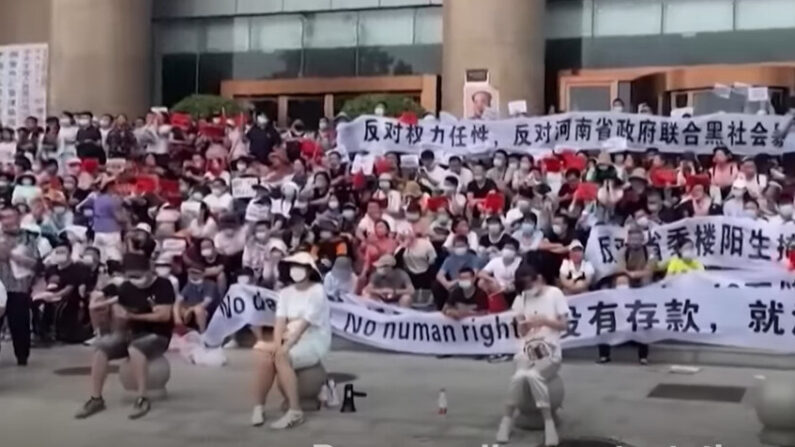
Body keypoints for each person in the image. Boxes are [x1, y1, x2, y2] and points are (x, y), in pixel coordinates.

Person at [75, 253, 175, 420]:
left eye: (138, 275)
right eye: (131, 276)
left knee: (135, 349)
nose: (135, 280)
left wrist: (132, 317)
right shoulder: (126, 288)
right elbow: (109, 307)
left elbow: (163, 316)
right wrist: (105, 309)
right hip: (131, 333)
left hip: (157, 335)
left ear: (149, 270)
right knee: (101, 349)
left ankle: (142, 397)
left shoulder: (164, 285)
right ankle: (96, 398)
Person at [251, 252, 331, 429]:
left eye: (301, 267)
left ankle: (295, 411)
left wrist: (285, 347)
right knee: (265, 357)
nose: (296, 270)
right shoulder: (285, 293)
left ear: (309, 270)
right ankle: (259, 407)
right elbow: (280, 321)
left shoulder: (317, 291)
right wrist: (278, 343)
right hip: (289, 337)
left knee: (281, 357)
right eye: (294, 266)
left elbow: (305, 323)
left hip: (314, 339)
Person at [496, 265, 568, 446]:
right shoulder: (522, 298)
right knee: (520, 376)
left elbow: (564, 325)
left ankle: (548, 422)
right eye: (524, 287)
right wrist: (524, 324)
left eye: (529, 284)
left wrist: (544, 321)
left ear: (539, 278)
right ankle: (506, 420)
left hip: (549, 349)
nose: (528, 289)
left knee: (533, 375)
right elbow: (520, 330)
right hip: (527, 349)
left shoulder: (555, 293)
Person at [0, 206, 39, 365]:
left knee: (19, 324)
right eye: (3, 217)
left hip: (19, 286)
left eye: (10, 217)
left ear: (18, 218)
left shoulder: (28, 238)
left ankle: (22, 356)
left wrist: (10, 255)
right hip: (0, 286)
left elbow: (34, 263)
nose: (6, 221)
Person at [175, 265, 219, 333]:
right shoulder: (188, 285)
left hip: (207, 311)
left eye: (196, 273)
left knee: (198, 309)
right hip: (191, 308)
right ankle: (180, 327)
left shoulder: (210, 284)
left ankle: (202, 334)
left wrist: (190, 310)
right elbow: (178, 300)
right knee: (176, 306)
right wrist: (177, 318)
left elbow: (206, 302)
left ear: (203, 273)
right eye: (192, 272)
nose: (194, 275)